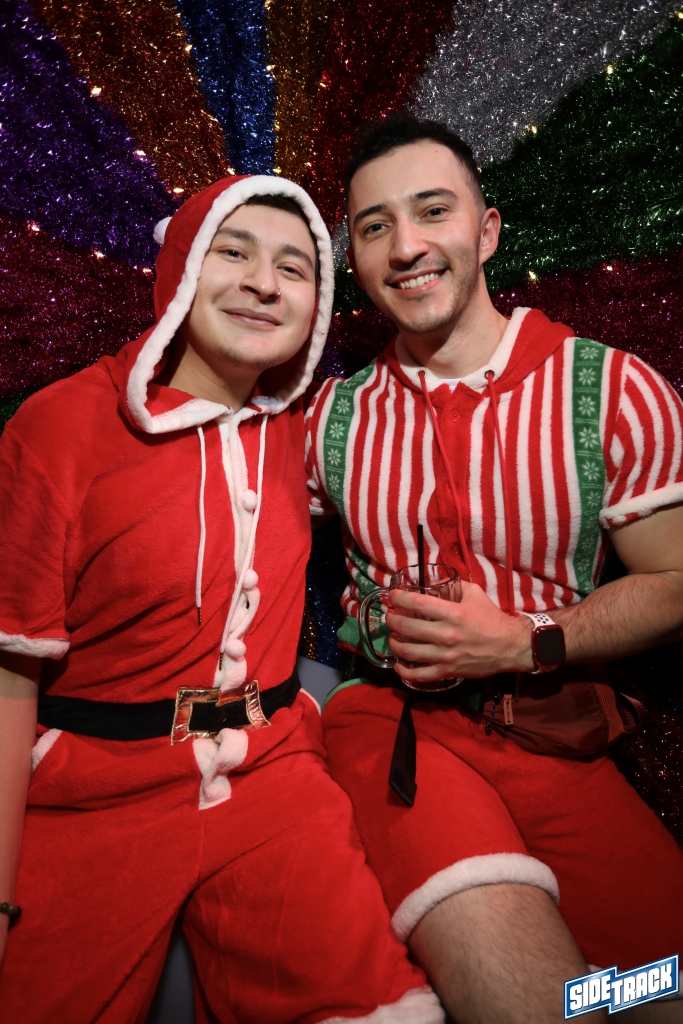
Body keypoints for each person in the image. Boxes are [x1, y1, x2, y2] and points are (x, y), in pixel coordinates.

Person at [0, 174, 443, 1024]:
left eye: (293, 267)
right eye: (231, 253)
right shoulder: (58, 428)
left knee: (377, 1006)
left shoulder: (303, 429)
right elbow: (9, 671)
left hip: (272, 775)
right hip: (94, 794)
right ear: (180, 268)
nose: (263, 284)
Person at [305, 113, 683, 1023]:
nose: (405, 246)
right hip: (395, 735)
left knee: (655, 988)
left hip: (556, 739)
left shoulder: (611, 390)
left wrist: (523, 640)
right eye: (374, 226)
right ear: (356, 259)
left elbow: (675, 582)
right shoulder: (328, 419)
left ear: (487, 230)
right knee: (542, 1005)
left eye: (432, 210)